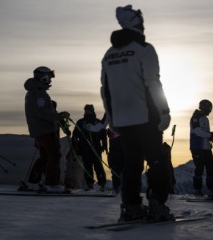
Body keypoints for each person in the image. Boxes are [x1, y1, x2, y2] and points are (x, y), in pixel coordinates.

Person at [100, 5, 172, 222]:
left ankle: (130, 206)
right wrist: (165, 110)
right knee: (157, 160)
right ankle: (157, 204)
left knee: (132, 163)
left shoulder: (109, 54)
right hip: (146, 116)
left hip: (122, 119)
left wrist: (112, 118)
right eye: (141, 21)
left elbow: (105, 89)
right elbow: (153, 82)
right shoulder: (144, 49)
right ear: (136, 24)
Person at [23, 66, 70, 193]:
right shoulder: (39, 93)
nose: (50, 79)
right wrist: (59, 116)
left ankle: (33, 182)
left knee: (45, 156)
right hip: (44, 130)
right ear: (42, 77)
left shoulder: (34, 92)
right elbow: (42, 113)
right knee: (54, 155)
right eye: (49, 76)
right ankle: (52, 184)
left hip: (39, 130)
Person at [71, 104, 107, 190]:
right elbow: (75, 134)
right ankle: (89, 183)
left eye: (89, 109)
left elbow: (103, 135)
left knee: (98, 166)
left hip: (96, 148)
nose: (87, 111)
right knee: (87, 166)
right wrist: (75, 145)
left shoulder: (98, 122)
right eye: (86, 109)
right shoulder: (80, 122)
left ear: (92, 110)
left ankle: (102, 183)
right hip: (84, 148)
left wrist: (105, 146)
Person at [190, 99, 213, 196]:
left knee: (211, 168)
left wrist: (209, 140)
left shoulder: (205, 119)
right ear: (203, 107)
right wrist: (209, 135)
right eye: (208, 108)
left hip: (205, 148)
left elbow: (204, 133)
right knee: (200, 167)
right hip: (196, 147)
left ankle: (211, 189)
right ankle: (197, 189)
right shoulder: (195, 117)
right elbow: (197, 131)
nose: (210, 111)